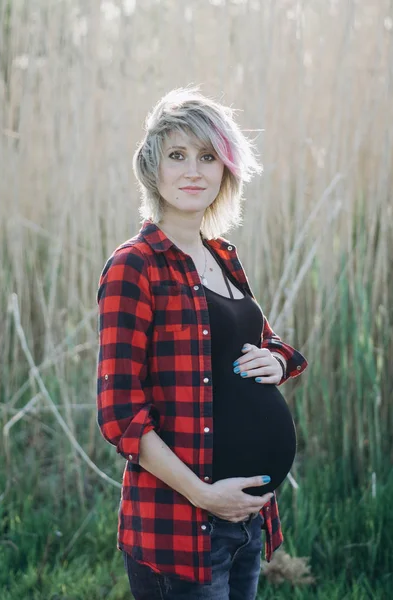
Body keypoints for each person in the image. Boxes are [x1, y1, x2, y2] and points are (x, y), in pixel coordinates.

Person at [96, 87, 308, 600]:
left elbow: (268, 342)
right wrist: (205, 495)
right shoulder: (135, 265)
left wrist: (276, 362)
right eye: (177, 155)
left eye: (208, 156)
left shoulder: (223, 257)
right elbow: (119, 413)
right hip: (182, 529)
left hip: (247, 523)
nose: (193, 170)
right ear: (153, 168)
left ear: (225, 168)